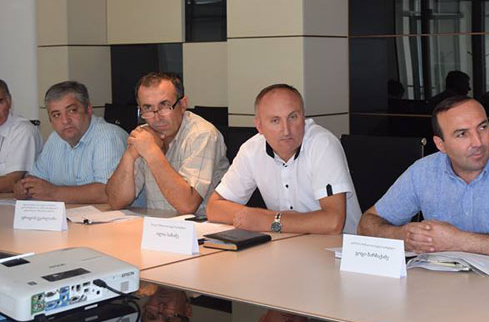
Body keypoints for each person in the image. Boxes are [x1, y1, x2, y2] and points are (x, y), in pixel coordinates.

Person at [357, 96, 489, 263]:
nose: (478, 142)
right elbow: (366, 224)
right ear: (440, 144)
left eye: (483, 127)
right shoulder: (423, 171)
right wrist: (403, 236)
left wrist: (458, 241)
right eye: (462, 134)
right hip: (438, 283)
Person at [206, 84, 361, 234]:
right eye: (275, 120)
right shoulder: (251, 150)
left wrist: (269, 220)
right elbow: (214, 207)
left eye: (293, 117)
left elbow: (333, 222)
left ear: (303, 117)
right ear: (259, 126)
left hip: (338, 246)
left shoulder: (322, 144)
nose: (286, 130)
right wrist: (261, 218)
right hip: (287, 244)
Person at [106, 72, 228, 215]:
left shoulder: (202, 134)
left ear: (183, 104)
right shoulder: (143, 136)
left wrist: (152, 153)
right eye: (148, 108)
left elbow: (187, 205)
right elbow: (116, 201)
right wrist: (129, 155)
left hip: (200, 225)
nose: (157, 118)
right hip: (157, 224)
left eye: (165, 106)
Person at [13, 81, 126, 203]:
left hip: (122, 214)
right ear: (50, 120)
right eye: (56, 115)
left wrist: (53, 192)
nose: (65, 121)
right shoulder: (55, 139)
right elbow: (34, 177)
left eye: (72, 111)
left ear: (88, 110)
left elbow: (108, 192)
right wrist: (24, 187)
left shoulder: (108, 137)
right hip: (73, 213)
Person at [0, 79, 42, 192]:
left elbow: (12, 182)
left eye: (0, 102)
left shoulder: (23, 131)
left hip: (21, 199)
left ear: (9, 101)